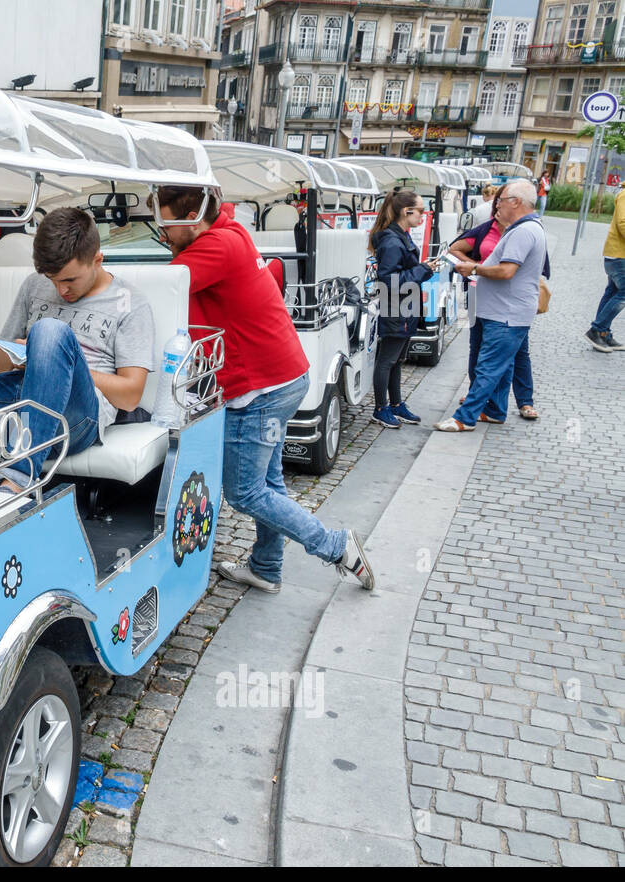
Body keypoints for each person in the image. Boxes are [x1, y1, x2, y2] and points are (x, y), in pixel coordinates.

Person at [153, 185, 375, 594]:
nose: (161, 229)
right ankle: (267, 567)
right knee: (269, 484)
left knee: (245, 492)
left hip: (260, 389)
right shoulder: (231, 232)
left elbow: (158, 287)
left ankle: (335, 546)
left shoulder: (214, 246)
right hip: (283, 378)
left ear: (191, 217)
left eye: (166, 221)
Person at [0, 208, 153, 492]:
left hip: (76, 418)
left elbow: (131, 396)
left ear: (98, 259)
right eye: (52, 279)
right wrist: (22, 358)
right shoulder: (34, 285)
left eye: (70, 280)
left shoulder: (131, 303)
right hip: (16, 404)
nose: (61, 290)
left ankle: (18, 480)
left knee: (49, 331)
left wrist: (62, 362)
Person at [435, 179, 547, 432]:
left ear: (516, 202)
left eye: (502, 200)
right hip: (497, 309)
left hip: (505, 313)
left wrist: (473, 267)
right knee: (497, 366)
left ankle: (464, 418)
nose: (496, 205)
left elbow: (507, 271)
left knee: (488, 367)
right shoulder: (523, 228)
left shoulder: (524, 231)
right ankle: (495, 410)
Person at [368, 189, 436, 429]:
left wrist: (422, 269)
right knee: (387, 360)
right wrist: (423, 270)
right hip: (395, 307)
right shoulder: (392, 240)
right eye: (420, 211)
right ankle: (380, 409)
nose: (423, 216)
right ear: (407, 211)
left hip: (404, 307)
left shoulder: (399, 237)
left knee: (396, 360)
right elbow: (389, 280)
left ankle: (395, 405)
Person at [586, 183, 625, 352]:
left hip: (617, 254)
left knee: (612, 292)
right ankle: (596, 329)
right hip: (619, 255)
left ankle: (602, 333)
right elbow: (623, 223)